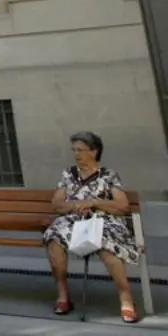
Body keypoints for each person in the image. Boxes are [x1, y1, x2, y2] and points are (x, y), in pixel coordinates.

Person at [43, 131, 140, 323]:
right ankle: (63, 296)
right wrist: (78, 206)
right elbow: (57, 204)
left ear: (94, 152)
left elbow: (122, 206)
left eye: (81, 150)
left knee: (106, 243)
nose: (76, 154)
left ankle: (126, 299)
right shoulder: (68, 174)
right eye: (74, 150)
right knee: (54, 237)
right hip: (73, 221)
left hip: (104, 220)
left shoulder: (108, 175)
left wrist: (94, 203)